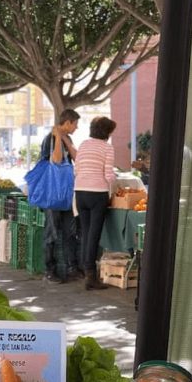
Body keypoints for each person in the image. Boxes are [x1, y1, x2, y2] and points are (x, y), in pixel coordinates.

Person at [74, 116, 117, 292]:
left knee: (85, 232)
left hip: (80, 192)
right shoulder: (107, 148)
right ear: (106, 132)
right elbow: (108, 175)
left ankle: (87, 272)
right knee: (94, 235)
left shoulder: (83, 144)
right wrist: (114, 187)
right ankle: (91, 276)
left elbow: (76, 169)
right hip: (97, 193)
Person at [39, 109, 80, 284]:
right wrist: (57, 138)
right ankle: (50, 271)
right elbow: (55, 160)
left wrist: (64, 139)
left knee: (70, 232)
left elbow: (77, 158)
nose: (76, 128)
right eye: (75, 124)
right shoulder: (49, 139)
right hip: (52, 193)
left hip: (65, 193)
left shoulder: (67, 138)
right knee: (52, 232)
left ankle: (73, 268)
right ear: (68, 122)